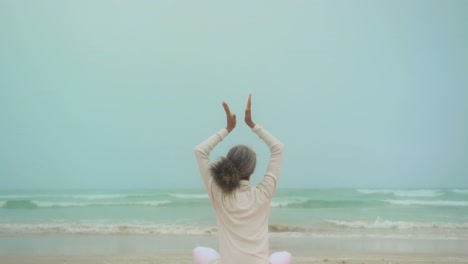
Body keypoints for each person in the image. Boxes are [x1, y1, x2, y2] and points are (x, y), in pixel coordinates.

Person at [193, 94, 291, 264]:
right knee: (283, 256)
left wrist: (228, 128)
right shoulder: (263, 193)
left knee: (200, 252)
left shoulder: (218, 191)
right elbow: (278, 148)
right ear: (252, 170)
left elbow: (200, 151)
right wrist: (252, 125)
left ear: (228, 164)